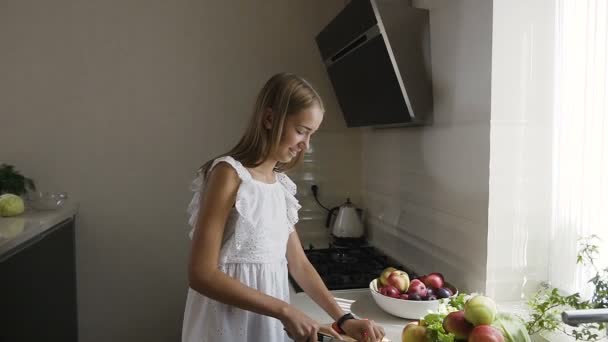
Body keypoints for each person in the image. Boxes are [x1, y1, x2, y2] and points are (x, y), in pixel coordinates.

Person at [181, 73, 386, 342]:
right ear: (269, 119)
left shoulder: (281, 186)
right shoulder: (228, 174)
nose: (306, 145)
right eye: (301, 131)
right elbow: (201, 274)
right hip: (226, 325)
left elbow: (299, 264)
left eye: (311, 134)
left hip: (268, 325)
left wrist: (344, 319)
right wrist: (285, 310)